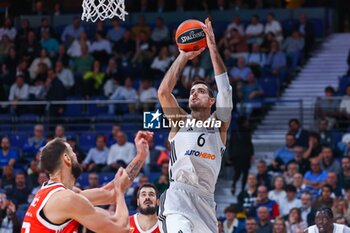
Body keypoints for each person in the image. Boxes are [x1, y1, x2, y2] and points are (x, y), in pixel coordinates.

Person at [157, 18, 233, 233]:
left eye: (200, 91)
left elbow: (225, 91)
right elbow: (163, 92)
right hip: (178, 198)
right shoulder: (180, 121)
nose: (194, 93)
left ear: (211, 101)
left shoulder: (219, 125)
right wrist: (183, 55)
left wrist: (212, 48)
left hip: (206, 202)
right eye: (191, 91)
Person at [21, 131, 153, 232]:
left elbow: (109, 193)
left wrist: (141, 156)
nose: (76, 156)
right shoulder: (65, 199)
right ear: (66, 158)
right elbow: (120, 228)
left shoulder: (59, 193)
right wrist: (119, 193)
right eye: (72, 152)